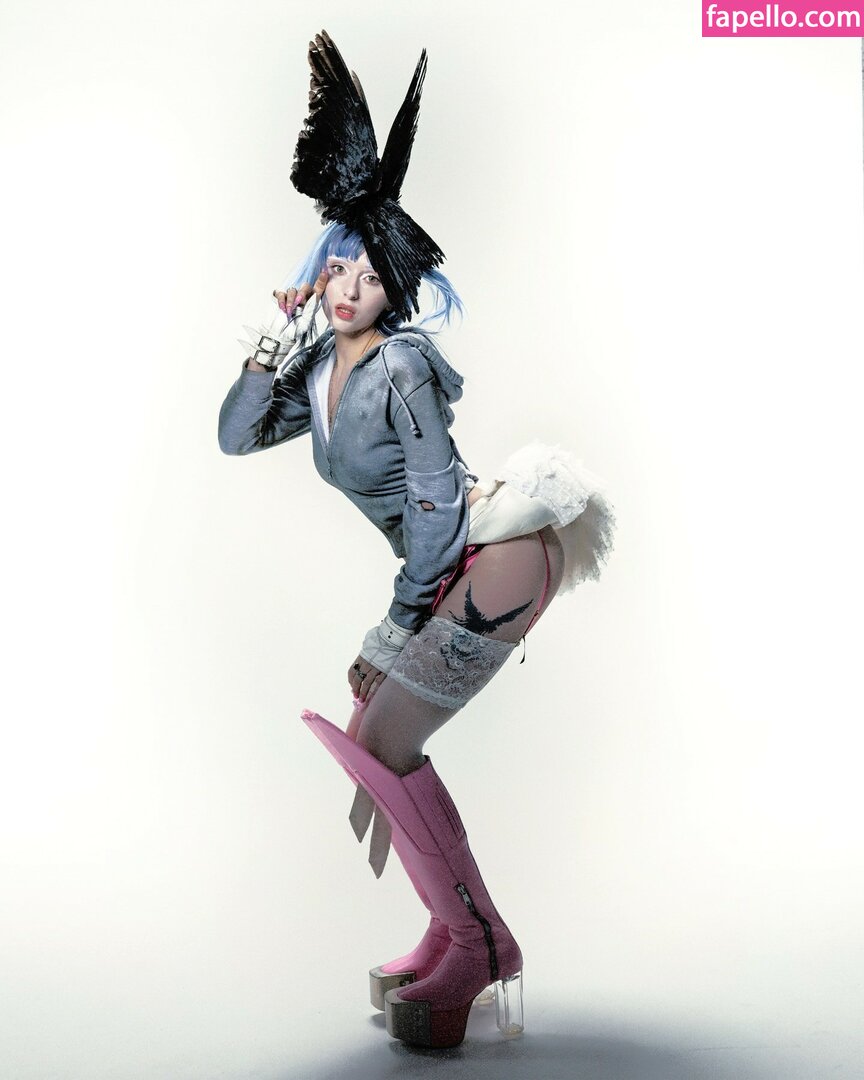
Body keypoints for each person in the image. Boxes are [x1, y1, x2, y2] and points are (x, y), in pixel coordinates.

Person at [218, 31, 614, 1050]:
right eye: (337, 266)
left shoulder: (400, 365)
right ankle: (453, 933)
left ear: (396, 289)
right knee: (372, 738)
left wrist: (395, 626)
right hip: (451, 563)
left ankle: (478, 945)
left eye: (369, 273)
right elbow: (234, 435)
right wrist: (273, 345)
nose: (350, 284)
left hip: (496, 555)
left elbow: (436, 503)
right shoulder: (321, 370)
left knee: (385, 738)